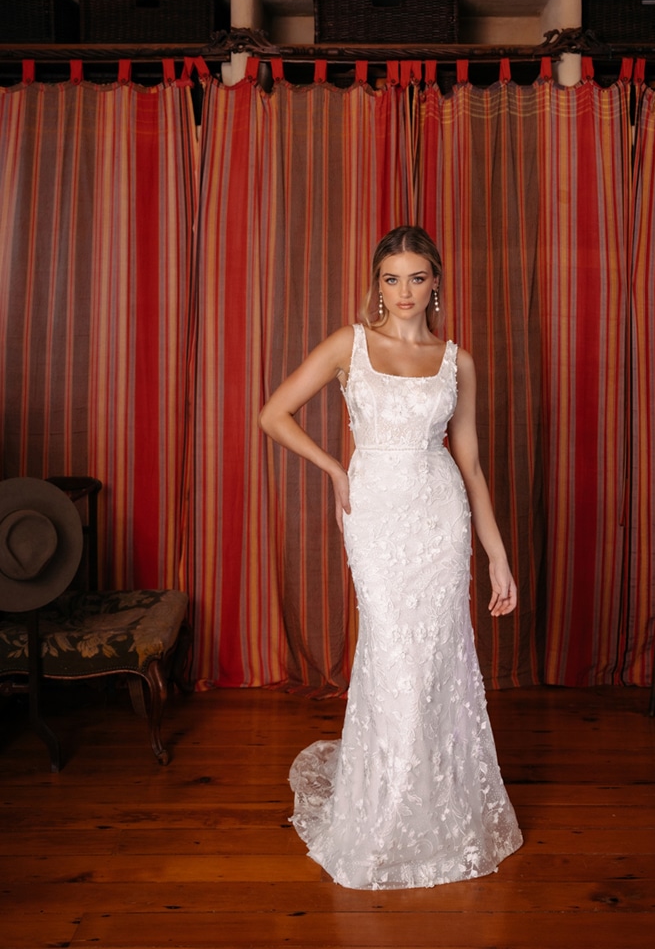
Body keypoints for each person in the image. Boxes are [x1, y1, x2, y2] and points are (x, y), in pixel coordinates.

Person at [259, 225, 522, 890]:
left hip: (440, 516)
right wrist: (333, 469)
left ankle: (439, 809)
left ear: (435, 283)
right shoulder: (349, 345)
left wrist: (497, 556)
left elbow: (471, 465)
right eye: (391, 278)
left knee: (435, 660)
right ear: (377, 284)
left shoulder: (456, 361)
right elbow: (273, 414)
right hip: (374, 515)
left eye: (417, 278)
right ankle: (385, 817)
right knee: (394, 656)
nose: (404, 292)